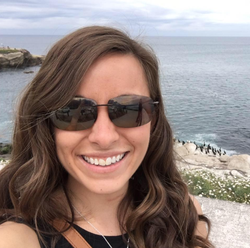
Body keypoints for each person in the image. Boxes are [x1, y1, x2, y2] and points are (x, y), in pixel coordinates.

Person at [0, 26, 213, 248]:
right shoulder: (17, 237)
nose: (104, 137)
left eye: (130, 109)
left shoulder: (183, 214)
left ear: (154, 120)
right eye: (74, 111)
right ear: (46, 123)